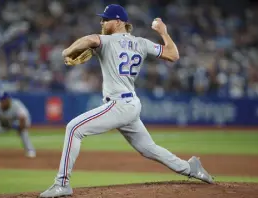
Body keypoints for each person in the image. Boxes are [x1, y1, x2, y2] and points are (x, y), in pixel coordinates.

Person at [40, 4, 214, 198]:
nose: (102, 22)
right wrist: (163, 32)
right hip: (130, 104)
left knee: (74, 128)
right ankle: (191, 168)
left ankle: (61, 183)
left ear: (118, 22)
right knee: (149, 149)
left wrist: (66, 51)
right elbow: (173, 54)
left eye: (106, 19)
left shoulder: (105, 41)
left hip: (119, 104)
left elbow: (89, 39)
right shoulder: (141, 43)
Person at [0, 90, 36, 158]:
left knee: (23, 131)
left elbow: (23, 118)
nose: (1, 102)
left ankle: (30, 150)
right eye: (0, 100)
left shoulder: (17, 105)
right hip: (2, 125)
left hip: (15, 124)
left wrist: (20, 128)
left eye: (3, 100)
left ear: (8, 99)